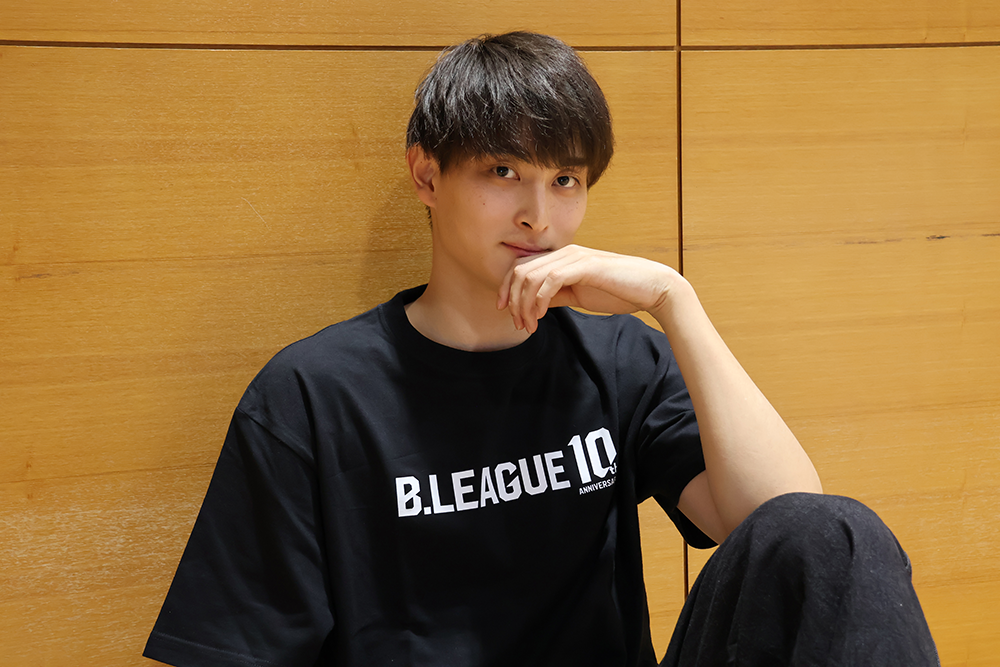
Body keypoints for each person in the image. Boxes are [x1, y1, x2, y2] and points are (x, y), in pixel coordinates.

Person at [143, 31, 939, 666]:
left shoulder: (618, 359)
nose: (539, 215)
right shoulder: (312, 395)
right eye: (503, 170)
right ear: (426, 176)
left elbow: (786, 526)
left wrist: (675, 301)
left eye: (566, 179)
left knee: (840, 533)